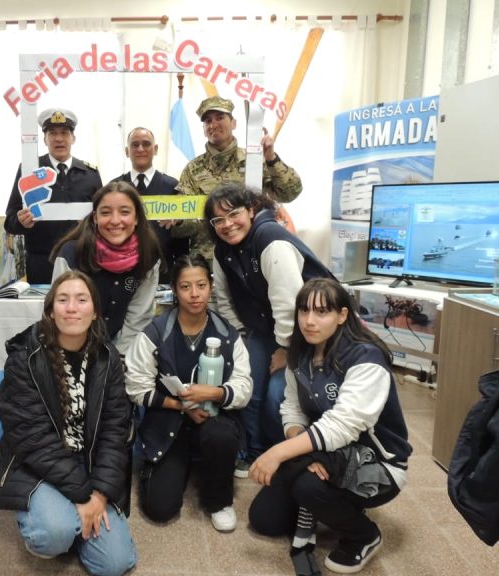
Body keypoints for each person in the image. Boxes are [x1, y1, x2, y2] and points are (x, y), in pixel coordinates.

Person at [248, 278, 412, 574]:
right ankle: (328, 499)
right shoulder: (300, 353)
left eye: (322, 312)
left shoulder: (365, 358)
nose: (309, 321)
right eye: (304, 310)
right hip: (325, 449)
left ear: (342, 315)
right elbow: (292, 408)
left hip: (378, 464)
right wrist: (305, 453)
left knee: (306, 485)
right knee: (264, 520)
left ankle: (364, 535)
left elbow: (343, 426)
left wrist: (280, 453)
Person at [0, 271, 136, 576]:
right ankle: (61, 523)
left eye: (82, 300)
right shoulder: (25, 358)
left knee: (115, 564)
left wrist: (100, 495)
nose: (72, 308)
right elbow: (32, 439)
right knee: (53, 534)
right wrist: (83, 495)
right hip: (37, 465)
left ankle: (73, 523)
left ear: (94, 312)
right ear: (50, 312)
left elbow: (115, 431)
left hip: (89, 464)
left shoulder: (108, 358)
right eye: (63, 300)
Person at [204, 183, 335, 478]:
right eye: (218, 220)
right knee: (246, 384)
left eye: (234, 214)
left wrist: (286, 350)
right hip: (263, 330)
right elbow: (223, 299)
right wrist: (241, 335)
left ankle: (285, 456)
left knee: (279, 392)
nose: (227, 224)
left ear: (251, 210)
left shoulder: (270, 239)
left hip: (306, 333)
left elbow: (289, 304)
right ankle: (253, 451)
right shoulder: (222, 250)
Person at [124, 255, 252, 532]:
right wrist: (179, 405)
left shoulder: (228, 334)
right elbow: (136, 386)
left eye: (201, 285)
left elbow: (244, 388)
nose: (194, 294)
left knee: (219, 435)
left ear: (211, 286)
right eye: (185, 287)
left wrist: (216, 393)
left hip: (214, 421)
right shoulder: (156, 332)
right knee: (161, 509)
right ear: (174, 289)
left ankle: (219, 500)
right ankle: (162, 466)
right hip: (169, 422)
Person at [173, 95, 303, 259]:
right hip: (208, 260)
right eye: (207, 121)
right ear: (204, 129)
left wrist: (271, 158)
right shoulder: (192, 170)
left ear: (234, 123)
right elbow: (184, 226)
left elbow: (290, 193)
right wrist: (178, 221)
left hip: (253, 255)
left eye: (220, 117)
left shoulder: (255, 160)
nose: (213, 124)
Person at [51, 181, 161, 356]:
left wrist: (117, 358)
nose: (115, 221)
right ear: (95, 217)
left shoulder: (149, 256)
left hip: (123, 350)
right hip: (74, 348)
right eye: (105, 213)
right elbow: (61, 311)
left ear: (137, 218)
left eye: (124, 212)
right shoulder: (71, 254)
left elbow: (138, 317)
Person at [4, 108, 102, 284]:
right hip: (41, 263)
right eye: (52, 133)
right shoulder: (29, 171)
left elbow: (102, 218)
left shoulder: (90, 174)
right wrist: (20, 221)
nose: (58, 139)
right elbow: (10, 221)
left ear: (73, 138)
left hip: (81, 260)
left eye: (64, 133)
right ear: (45, 139)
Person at [111, 127, 188, 282]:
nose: (140, 149)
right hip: (122, 271)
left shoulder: (173, 187)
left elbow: (181, 238)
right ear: (127, 151)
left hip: (164, 272)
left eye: (146, 144)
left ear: (156, 149)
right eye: (135, 145)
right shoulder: (113, 187)